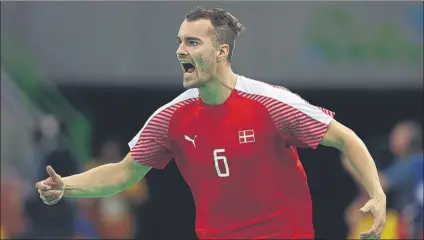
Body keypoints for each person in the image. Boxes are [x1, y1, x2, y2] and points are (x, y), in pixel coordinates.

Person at [35, 6, 387, 239]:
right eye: (179, 42)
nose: (180, 51)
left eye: (192, 42)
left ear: (221, 52)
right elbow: (124, 173)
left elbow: (345, 138)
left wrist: (377, 193)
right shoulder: (171, 117)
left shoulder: (270, 103)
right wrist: (66, 185)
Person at [345, 120, 423, 239]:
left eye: (397, 134)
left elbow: (379, 185)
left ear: (408, 139)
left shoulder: (414, 162)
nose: (391, 137)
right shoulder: (406, 163)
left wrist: (353, 163)